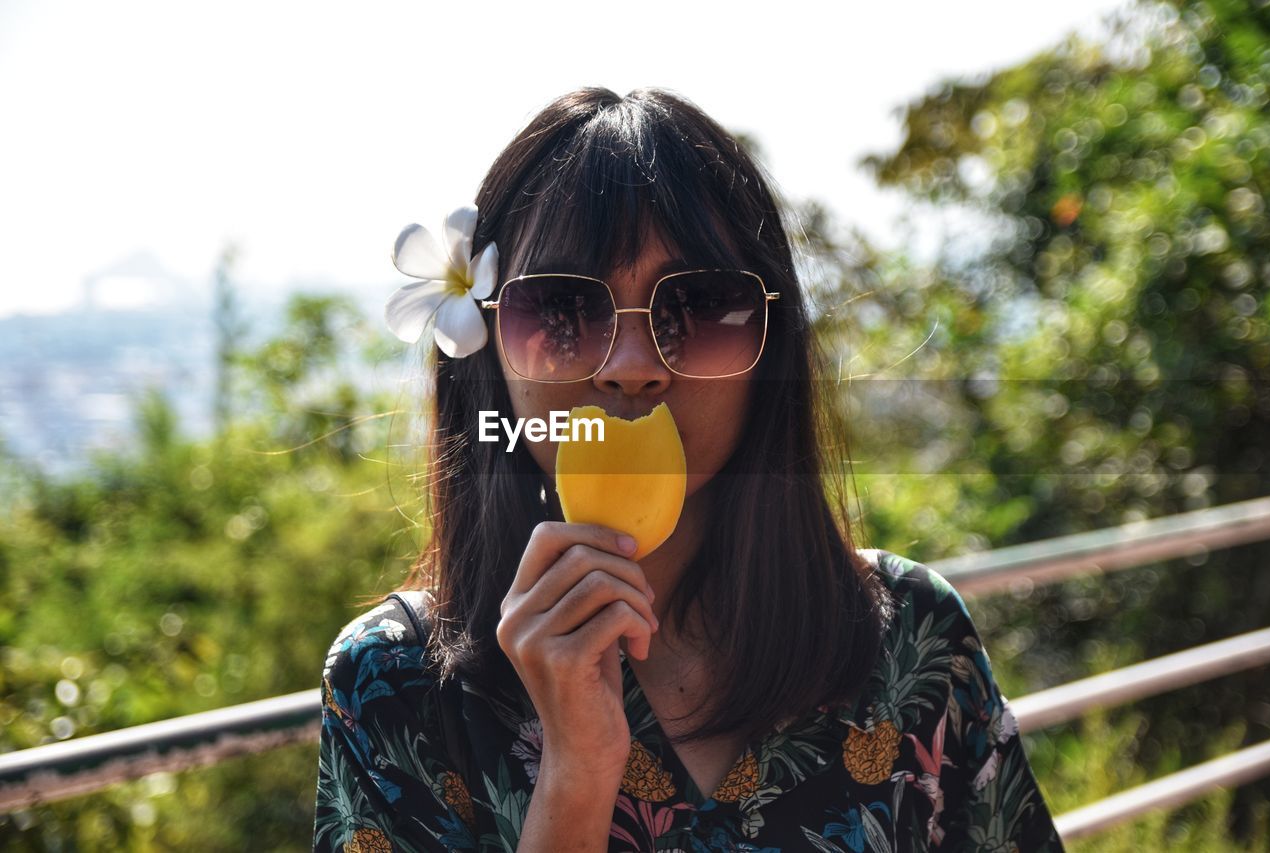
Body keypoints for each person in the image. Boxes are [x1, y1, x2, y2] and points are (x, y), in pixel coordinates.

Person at [312, 86, 1065, 852]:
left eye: (701, 307)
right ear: (487, 347)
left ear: (770, 349)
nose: (631, 367)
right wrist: (574, 776)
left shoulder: (910, 638)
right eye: (564, 309)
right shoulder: (394, 688)